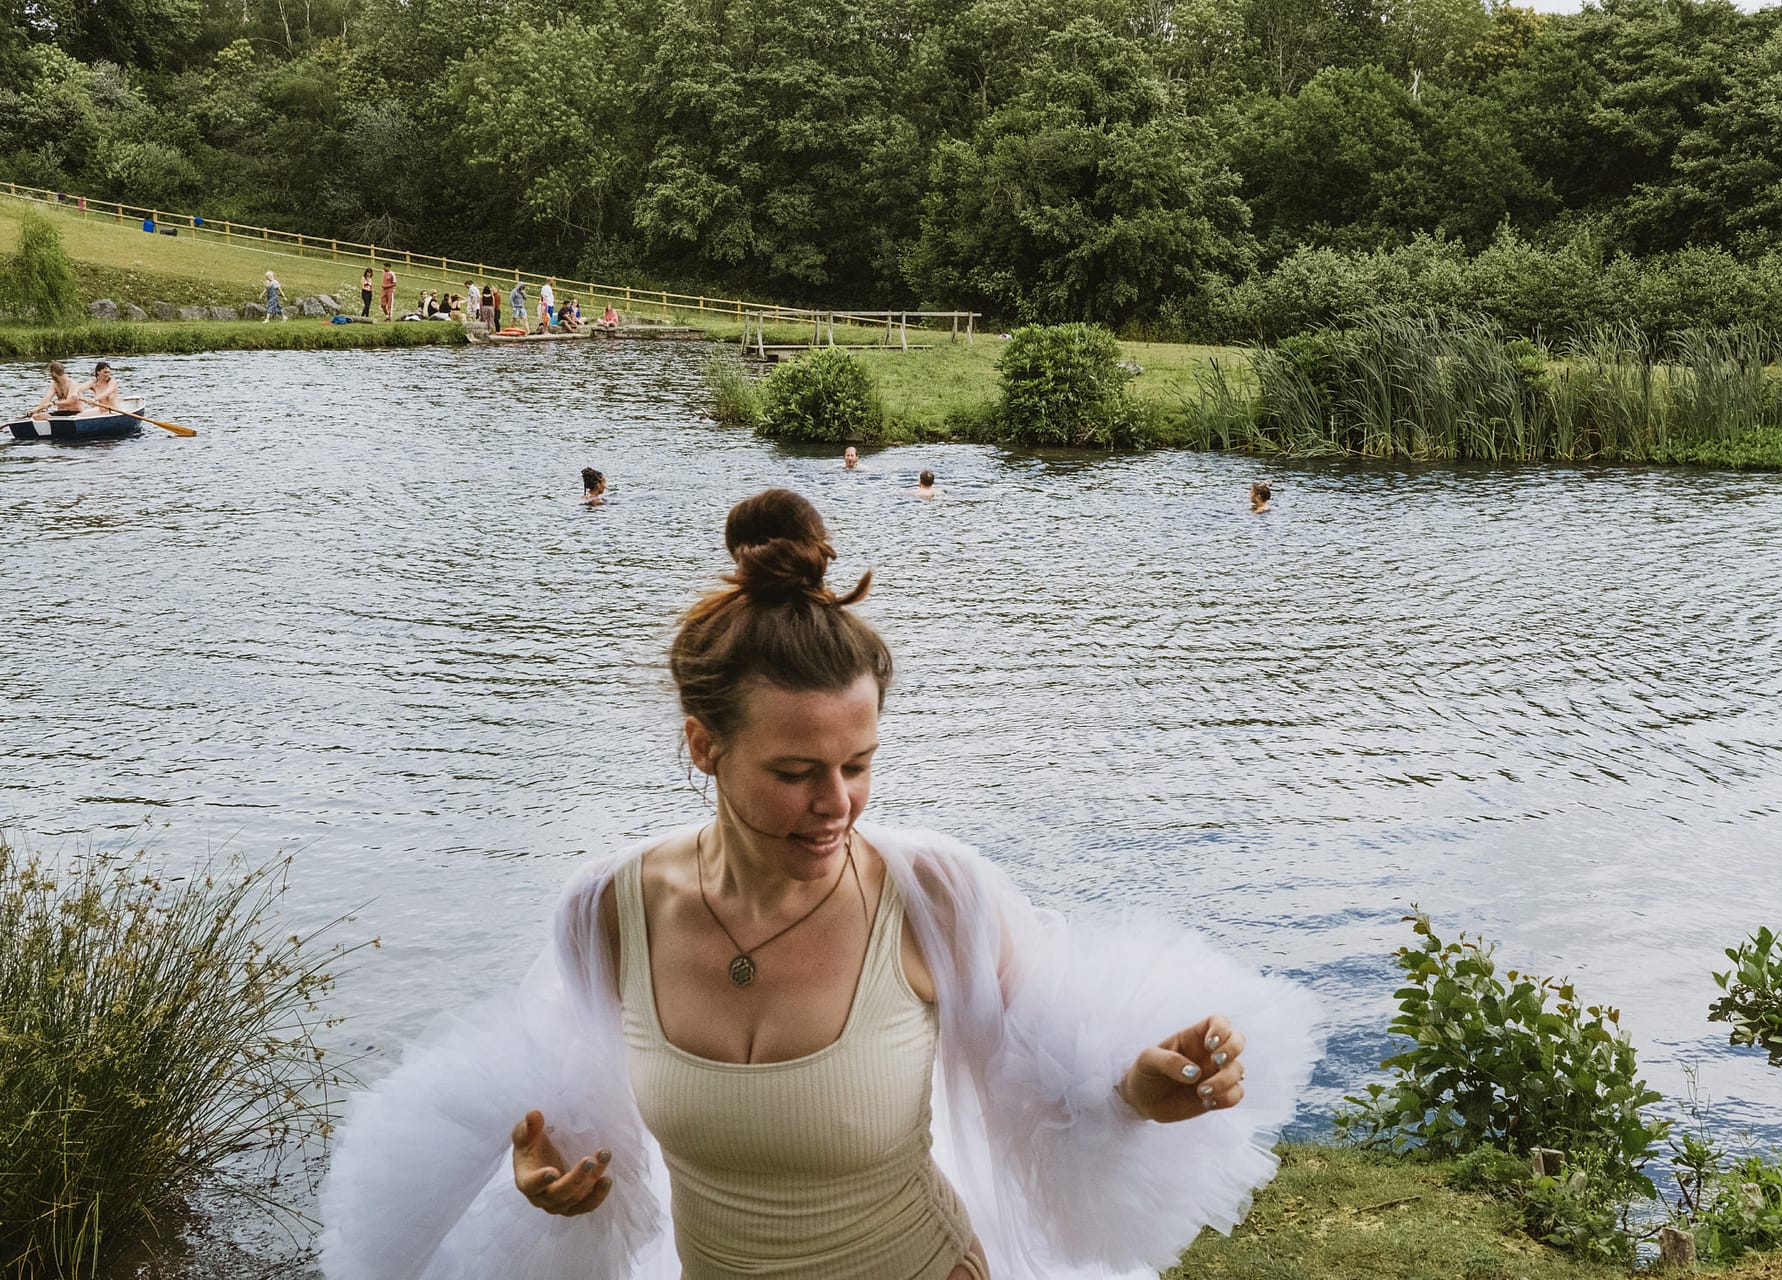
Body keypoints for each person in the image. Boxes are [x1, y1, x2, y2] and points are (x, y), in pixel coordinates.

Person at [317, 488, 1318, 1280]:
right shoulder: (606, 906)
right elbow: (575, 1097)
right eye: (795, 772)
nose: (838, 802)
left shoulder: (934, 892)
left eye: (859, 762)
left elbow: (1042, 1085)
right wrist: (547, 1176)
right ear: (703, 747)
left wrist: (1135, 1091)